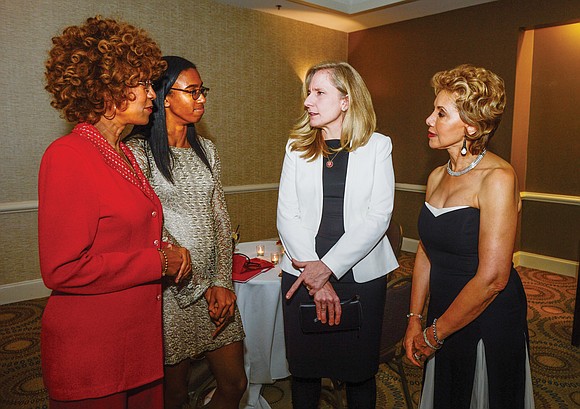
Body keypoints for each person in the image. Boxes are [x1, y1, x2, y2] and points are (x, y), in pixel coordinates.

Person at [39, 16, 192, 409]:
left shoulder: (122, 152)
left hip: (135, 340)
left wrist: (172, 251)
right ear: (106, 90)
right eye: (141, 84)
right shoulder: (68, 156)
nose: (152, 95)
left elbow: (130, 229)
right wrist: (156, 261)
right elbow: (62, 268)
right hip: (93, 348)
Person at [403, 64, 534, 409]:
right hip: (444, 309)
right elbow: (426, 252)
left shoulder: (498, 178)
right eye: (433, 110)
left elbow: (492, 278)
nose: (429, 120)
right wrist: (415, 319)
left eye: (440, 113)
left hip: (488, 313)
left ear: (471, 127)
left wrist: (435, 333)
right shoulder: (435, 177)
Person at [276, 61, 398, 408]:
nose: (308, 102)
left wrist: (327, 268)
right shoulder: (296, 147)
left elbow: (379, 216)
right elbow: (287, 213)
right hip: (302, 272)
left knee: (359, 373)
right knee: (305, 372)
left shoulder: (377, 146)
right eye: (308, 93)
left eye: (319, 93)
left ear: (346, 100)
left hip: (359, 276)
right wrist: (316, 273)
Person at [127, 56, 246, 409]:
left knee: (234, 384)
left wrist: (222, 281)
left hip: (215, 288)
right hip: (170, 293)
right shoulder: (138, 152)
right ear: (164, 97)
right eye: (191, 91)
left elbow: (221, 219)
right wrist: (197, 285)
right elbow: (149, 226)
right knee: (174, 395)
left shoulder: (207, 149)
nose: (201, 99)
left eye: (202, 91)